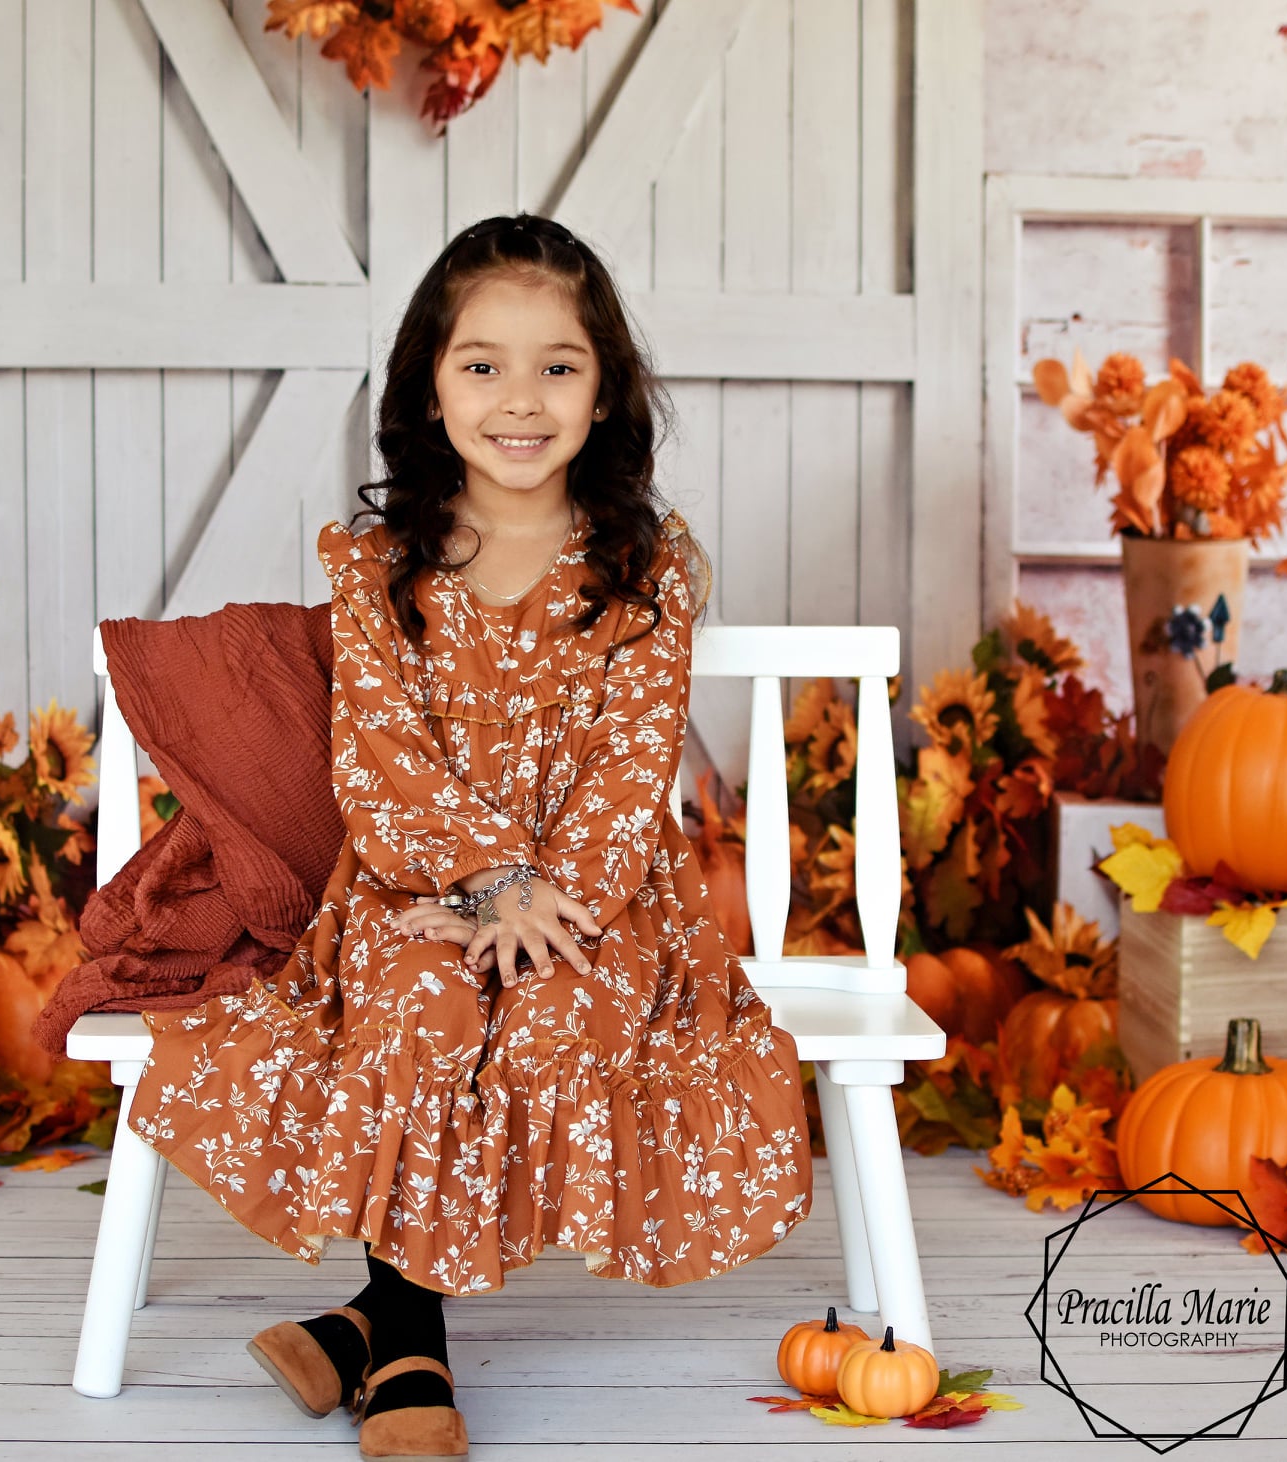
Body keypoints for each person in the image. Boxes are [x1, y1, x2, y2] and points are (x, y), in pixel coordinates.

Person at [123, 213, 812, 1460]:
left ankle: (372, 1327)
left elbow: (627, 763)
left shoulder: (646, 570)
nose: (519, 398)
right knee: (420, 1001)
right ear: (428, 388)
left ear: (603, 393)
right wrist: (483, 876)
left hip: (599, 899)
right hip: (411, 886)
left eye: (558, 365)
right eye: (480, 363)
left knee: (551, 1011)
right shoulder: (379, 563)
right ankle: (411, 1353)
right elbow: (378, 760)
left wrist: (543, 896)